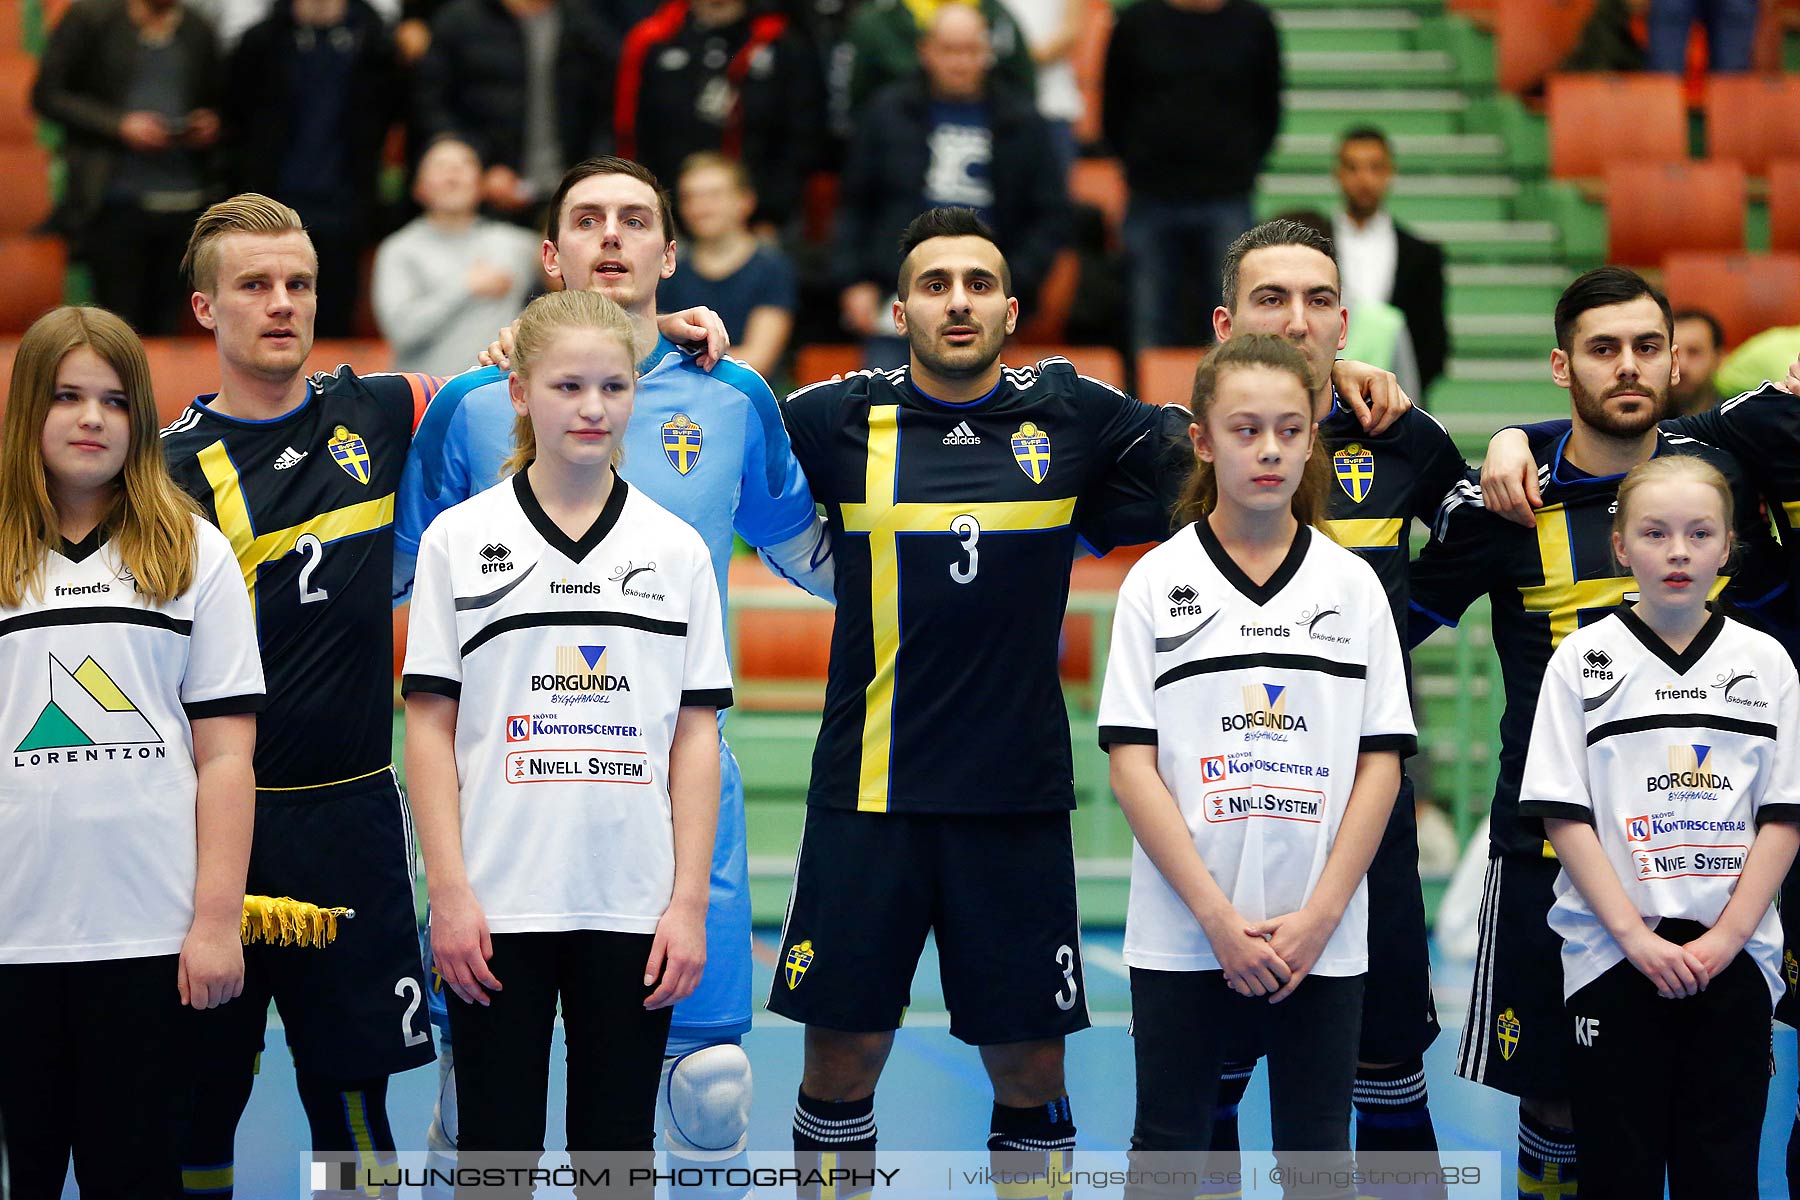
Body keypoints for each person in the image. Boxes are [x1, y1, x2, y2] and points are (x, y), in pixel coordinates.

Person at [767, 206, 1405, 1198]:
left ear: (1014, 309)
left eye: (979, 283)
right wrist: (685, 344)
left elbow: (1234, 428)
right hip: (865, 799)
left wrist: (1333, 379)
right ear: (900, 309)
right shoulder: (833, 415)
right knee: (839, 1066)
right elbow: (700, 424)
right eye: (935, 284)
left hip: (1016, 804)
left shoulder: (1075, 411)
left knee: (1031, 1073)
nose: (959, 301)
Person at [393, 156, 831, 1190]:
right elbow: (401, 572)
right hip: (507, 810)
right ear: (549, 255)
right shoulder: (468, 404)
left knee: (708, 1090)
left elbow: (813, 551)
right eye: (585, 219)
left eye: (636, 220)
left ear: (670, 257)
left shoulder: (733, 393)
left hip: (673, 804)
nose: (611, 235)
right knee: (477, 1105)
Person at [1406, 266, 1787, 1199]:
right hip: (1546, 850)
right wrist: (1505, 445)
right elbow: (1391, 627)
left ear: (1673, 361)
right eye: (1603, 349)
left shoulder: (1723, 470)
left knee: (1711, 1106)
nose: (1628, 367)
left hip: (1715, 856)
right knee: (1556, 1105)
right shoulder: (1507, 501)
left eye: (1647, 347)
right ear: (1560, 364)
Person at [1146, 219, 1465, 1189]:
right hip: (1219, 839)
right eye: (1269, 300)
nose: (1296, 320)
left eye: (1318, 300)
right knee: (1211, 1095)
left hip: (1366, 842)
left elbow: (1477, 550)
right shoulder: (1168, 454)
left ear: (1346, 319)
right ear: (1223, 323)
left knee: (1385, 1084)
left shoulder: (1406, 444)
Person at [403, 288, 731, 1186]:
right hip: (497, 907)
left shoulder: (676, 552)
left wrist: (688, 903)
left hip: (634, 904)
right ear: (518, 392)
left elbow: (694, 737)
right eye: (567, 386)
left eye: (614, 387)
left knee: (617, 1156)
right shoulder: (459, 541)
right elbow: (428, 729)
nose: (593, 408)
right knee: (496, 1155)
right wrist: (452, 892)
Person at [159, 194, 445, 1198]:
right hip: (207, 834)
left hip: (351, 823)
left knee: (354, 1104)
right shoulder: (162, 477)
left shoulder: (381, 407)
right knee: (196, 1103)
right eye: (253, 286)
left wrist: (656, 334)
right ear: (205, 308)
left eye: (299, 285)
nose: (281, 304)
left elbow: (534, 377)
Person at [1100, 333, 1413, 1198]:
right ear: (1202, 440)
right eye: (1243, 430)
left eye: (1286, 429)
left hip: (1322, 938)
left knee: (1317, 1163)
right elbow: (1132, 764)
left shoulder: (1353, 590)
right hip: (1183, 935)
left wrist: (1317, 918)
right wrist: (1216, 921)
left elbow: (1380, 766)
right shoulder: (1154, 584)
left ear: (1314, 435)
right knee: (1168, 1154)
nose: (1268, 449)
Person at [0, 306, 261, 1199]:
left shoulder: (193, 553)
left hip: (148, 939)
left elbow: (226, 755)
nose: (90, 418)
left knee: (139, 1176)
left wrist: (215, 920)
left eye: (114, 400)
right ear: (28, 408)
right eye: (67, 396)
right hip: (13, 939)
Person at [1519, 455, 1800, 1197]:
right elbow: (1564, 812)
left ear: (1728, 544)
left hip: (1732, 961)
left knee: (1723, 1171)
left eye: (1699, 532)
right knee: (1619, 1172)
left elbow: (1782, 816)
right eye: (1655, 532)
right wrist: (1634, 938)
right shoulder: (1581, 661)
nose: (1678, 551)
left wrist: (1729, 939)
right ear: (1620, 547)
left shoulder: (1766, 663)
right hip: (1612, 958)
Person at [835, 4, 1069, 341]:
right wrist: (855, 281)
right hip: (896, 290)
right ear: (925, 51)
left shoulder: (1023, 120)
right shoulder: (887, 113)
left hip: (993, 294)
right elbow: (855, 204)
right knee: (888, 391)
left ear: (988, 52)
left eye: (971, 50)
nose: (960, 62)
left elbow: (1051, 216)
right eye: (948, 50)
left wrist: (1011, 281)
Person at [31, 0, 223, 335]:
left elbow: (221, 100)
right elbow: (47, 94)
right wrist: (118, 125)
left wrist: (209, 122)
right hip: (113, 197)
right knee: (117, 330)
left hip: (186, 199)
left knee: (169, 330)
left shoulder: (197, 28)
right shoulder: (91, 17)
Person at [1102, 0, 1279, 350]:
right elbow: (1114, 107)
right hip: (1151, 196)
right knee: (1148, 323)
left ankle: (1232, 405)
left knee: (1232, 322)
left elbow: (1268, 107)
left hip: (1227, 194)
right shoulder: (1136, 22)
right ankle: (1149, 405)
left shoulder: (1255, 23)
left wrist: (1239, 166)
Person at [224, 0, 401, 337]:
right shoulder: (259, 43)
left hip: (346, 206)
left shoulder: (377, 44)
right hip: (270, 208)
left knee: (334, 321)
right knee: (265, 319)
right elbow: (235, 125)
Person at [612, 0, 823, 231]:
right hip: (668, 218)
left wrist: (772, 215)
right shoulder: (650, 40)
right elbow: (630, 133)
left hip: (764, 220)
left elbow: (802, 136)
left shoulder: (782, 42)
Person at [411, 0, 618, 220]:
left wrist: (590, 173)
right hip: (484, 201)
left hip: (568, 196)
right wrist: (479, 168)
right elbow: (430, 104)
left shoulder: (584, 22)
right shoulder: (460, 20)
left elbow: (608, 110)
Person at [373, 135, 546, 376]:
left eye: (465, 164)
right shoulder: (399, 249)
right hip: (427, 396)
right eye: (440, 165)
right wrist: (466, 287)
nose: (453, 171)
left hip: (500, 392)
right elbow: (401, 333)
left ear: (481, 185)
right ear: (418, 188)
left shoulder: (518, 245)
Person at [1331, 128, 1451, 398]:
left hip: (1399, 401)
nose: (1364, 179)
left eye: (1375, 167)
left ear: (1390, 173)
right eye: (1353, 167)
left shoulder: (1422, 256)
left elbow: (1433, 342)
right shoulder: (1311, 248)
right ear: (1337, 173)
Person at [661, 153, 798, 380]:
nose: (700, 206)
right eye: (689, 197)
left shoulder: (772, 268)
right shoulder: (669, 269)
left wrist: (681, 364)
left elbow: (759, 359)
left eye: (713, 195)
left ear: (746, 201)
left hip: (749, 397)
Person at [844, 0, 1035, 117]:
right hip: (902, 148)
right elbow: (855, 101)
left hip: (988, 141)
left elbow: (1024, 89)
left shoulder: (997, 17)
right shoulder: (877, 20)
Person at [1669, 308, 1725, 416]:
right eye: (1673, 352)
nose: (1682, 365)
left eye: (1694, 352)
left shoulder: (1737, 418)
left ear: (1718, 358)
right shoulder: (1648, 420)